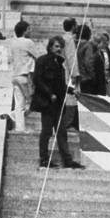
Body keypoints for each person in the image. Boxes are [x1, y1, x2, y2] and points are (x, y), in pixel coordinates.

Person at [32, 36, 83, 169]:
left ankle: (67, 160)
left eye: (60, 46)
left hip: (59, 104)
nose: (59, 49)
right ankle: (43, 159)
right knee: (46, 132)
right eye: (56, 46)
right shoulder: (42, 60)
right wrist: (49, 94)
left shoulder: (60, 63)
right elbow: (37, 80)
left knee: (61, 132)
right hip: (47, 103)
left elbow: (61, 85)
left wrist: (72, 91)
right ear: (50, 47)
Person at [8, 20, 38, 133]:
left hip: (15, 76)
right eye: (29, 29)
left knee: (19, 103)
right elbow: (37, 56)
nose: (30, 31)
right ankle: (15, 118)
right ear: (25, 31)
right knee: (31, 102)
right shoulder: (28, 42)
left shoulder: (13, 43)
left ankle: (18, 125)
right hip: (24, 77)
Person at [76, 24, 104, 95]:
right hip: (87, 78)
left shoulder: (76, 45)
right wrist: (93, 76)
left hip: (80, 77)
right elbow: (88, 62)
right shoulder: (88, 46)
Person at [95, 32, 110, 97]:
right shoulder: (98, 52)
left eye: (107, 41)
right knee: (101, 95)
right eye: (104, 41)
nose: (106, 42)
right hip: (100, 77)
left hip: (109, 77)